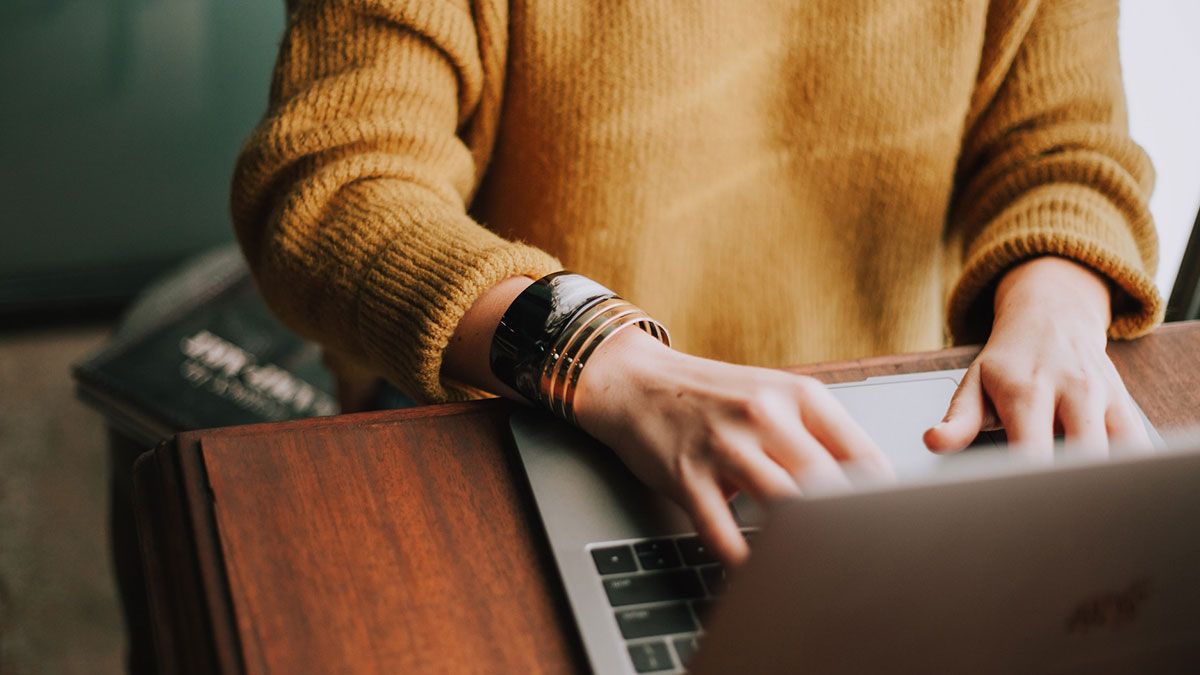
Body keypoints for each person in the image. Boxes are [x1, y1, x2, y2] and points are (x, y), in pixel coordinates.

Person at [231, 1, 1161, 566]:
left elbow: (1065, 152)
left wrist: (1059, 303)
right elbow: (331, 185)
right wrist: (601, 357)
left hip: (876, 447)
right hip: (524, 414)